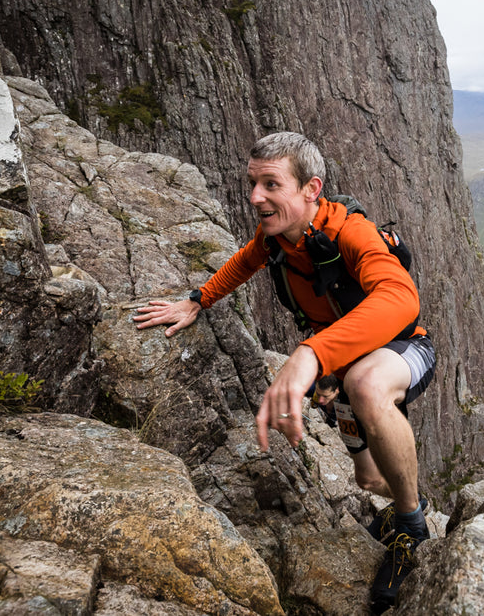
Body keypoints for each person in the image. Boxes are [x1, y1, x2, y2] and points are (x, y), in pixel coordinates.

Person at [132, 131, 435, 612]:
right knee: (367, 479)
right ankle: (403, 504)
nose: (256, 197)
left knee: (366, 386)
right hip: (340, 363)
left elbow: (401, 299)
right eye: (253, 184)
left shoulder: (350, 233)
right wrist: (196, 300)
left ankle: (413, 526)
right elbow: (242, 263)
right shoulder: (277, 240)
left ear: (311, 189)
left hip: (402, 348)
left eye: (271, 184)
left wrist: (311, 355)